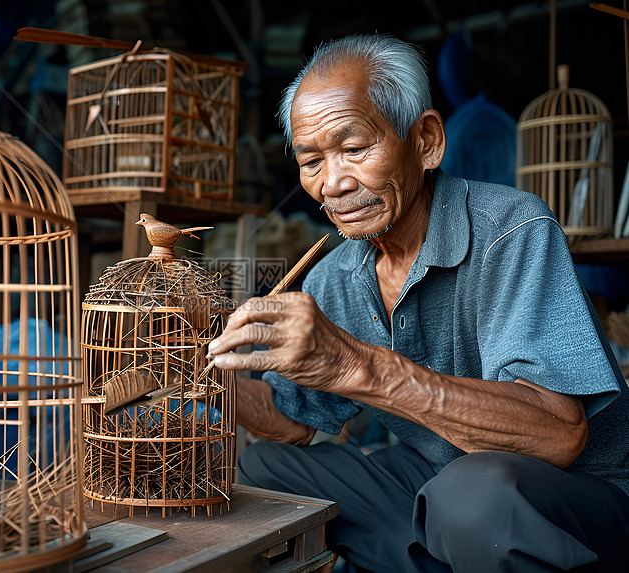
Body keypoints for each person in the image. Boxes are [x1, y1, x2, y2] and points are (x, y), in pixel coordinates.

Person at [207, 34, 629, 572]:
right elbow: (294, 420)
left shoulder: (512, 229)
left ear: (427, 140)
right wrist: (205, 375)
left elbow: (558, 434)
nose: (332, 184)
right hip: (444, 479)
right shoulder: (336, 273)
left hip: (573, 495)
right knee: (268, 471)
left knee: (471, 497)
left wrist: (360, 367)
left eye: (354, 149)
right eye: (312, 161)